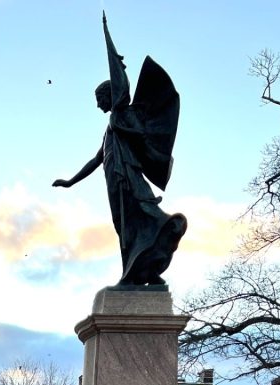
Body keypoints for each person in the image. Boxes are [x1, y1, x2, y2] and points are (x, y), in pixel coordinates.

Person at [53, 16, 187, 287]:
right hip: (114, 181)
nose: (98, 104)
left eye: (100, 98)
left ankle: (155, 255)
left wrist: (110, 46)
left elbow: (121, 86)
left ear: (109, 95)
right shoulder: (111, 128)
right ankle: (141, 272)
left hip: (129, 179)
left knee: (140, 219)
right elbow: (95, 160)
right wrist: (70, 181)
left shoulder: (121, 116)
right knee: (124, 228)